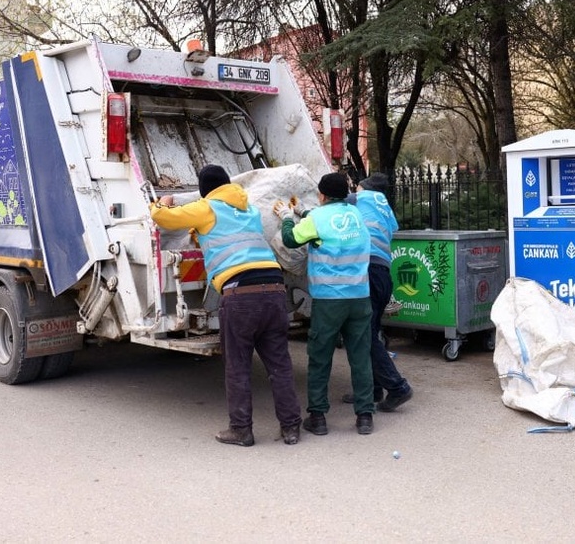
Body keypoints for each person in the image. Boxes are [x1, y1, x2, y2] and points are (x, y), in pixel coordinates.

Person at [150, 165, 302, 447]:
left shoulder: (207, 208)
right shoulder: (250, 210)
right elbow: (231, 237)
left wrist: (163, 202)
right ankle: (291, 428)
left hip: (241, 294)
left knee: (238, 366)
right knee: (279, 364)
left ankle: (241, 430)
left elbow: (163, 218)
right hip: (274, 290)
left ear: (206, 189)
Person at [273, 172, 375, 436]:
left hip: (330, 300)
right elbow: (332, 226)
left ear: (322, 195)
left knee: (320, 358)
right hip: (360, 298)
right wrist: (305, 212)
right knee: (360, 357)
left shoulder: (318, 218)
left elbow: (290, 239)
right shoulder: (357, 217)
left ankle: (317, 417)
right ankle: (365, 417)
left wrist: (286, 217)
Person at [342, 173, 414, 412]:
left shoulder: (360, 198)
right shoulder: (386, 209)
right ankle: (372, 389)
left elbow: (329, 206)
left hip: (367, 271)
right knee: (370, 330)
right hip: (383, 274)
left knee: (364, 334)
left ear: (364, 187)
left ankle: (397, 387)